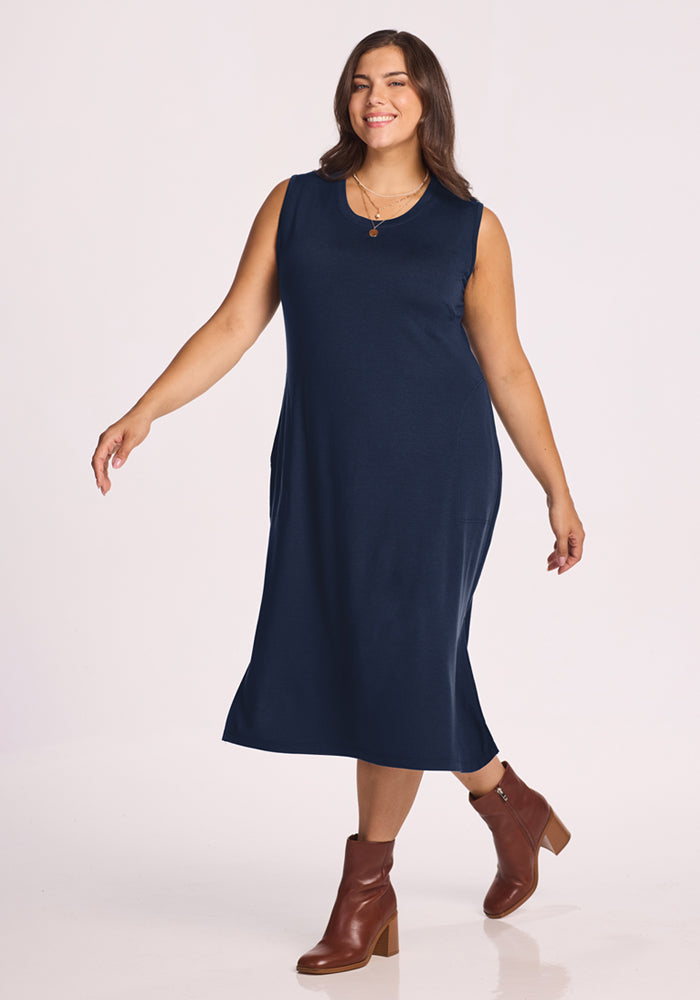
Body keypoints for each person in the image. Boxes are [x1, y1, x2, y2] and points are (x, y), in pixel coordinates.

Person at [91, 28, 584, 977]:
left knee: (400, 661)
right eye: (361, 83)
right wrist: (145, 410)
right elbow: (236, 320)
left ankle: (367, 889)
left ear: (427, 99)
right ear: (345, 100)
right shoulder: (297, 204)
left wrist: (557, 489)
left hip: (439, 475)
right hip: (326, 470)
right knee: (397, 658)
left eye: (395, 82)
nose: (376, 98)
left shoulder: (471, 227)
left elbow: (508, 367)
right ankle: (510, 806)